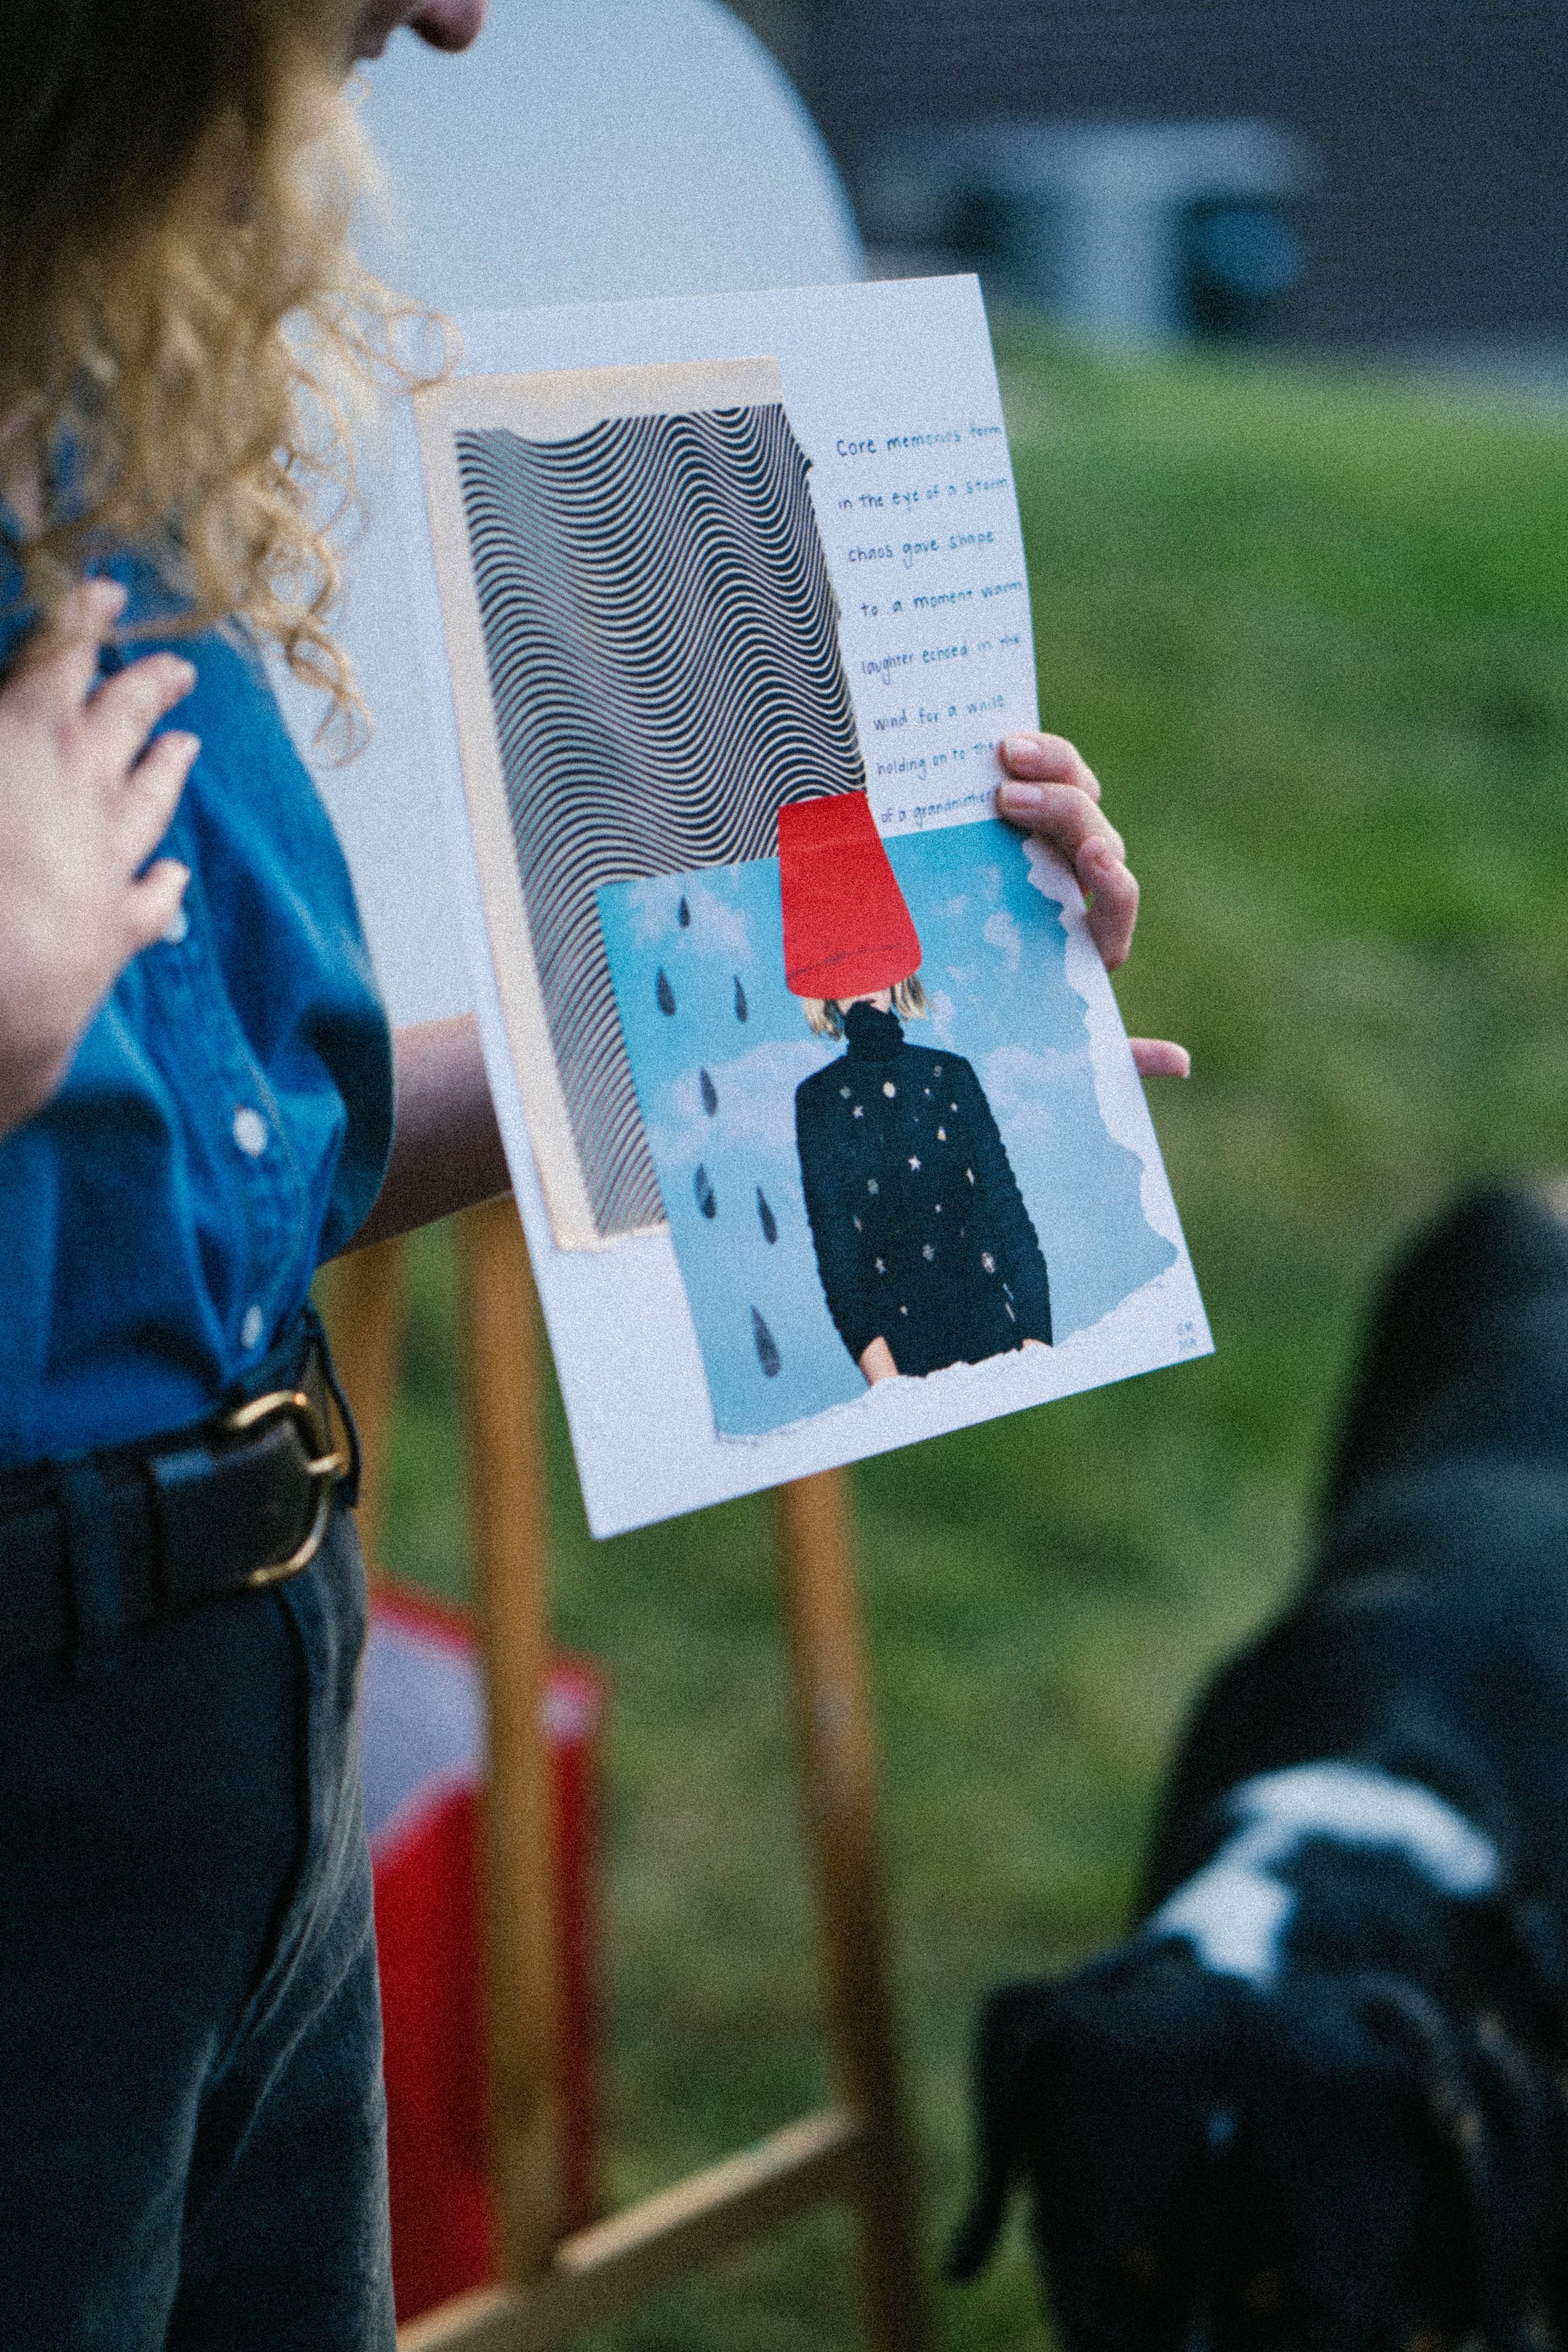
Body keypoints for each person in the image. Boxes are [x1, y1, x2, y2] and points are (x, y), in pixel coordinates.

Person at [0, 3, 1185, 2343]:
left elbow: (264, 1160)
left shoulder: (100, 434)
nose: (456, 16)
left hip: (248, 1713)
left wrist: (907, 1010)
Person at [781, 790, 1054, 1382]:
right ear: (821, 987)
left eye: (869, 949)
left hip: (1001, 1336)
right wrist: (890, 1389)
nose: (861, 983)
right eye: (839, 960)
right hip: (908, 1366)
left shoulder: (949, 1076)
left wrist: (1036, 1342)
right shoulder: (819, 1103)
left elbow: (1007, 1213)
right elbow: (839, 1260)